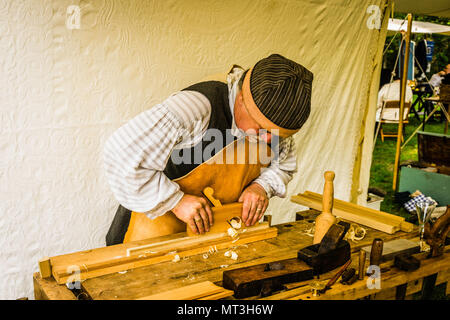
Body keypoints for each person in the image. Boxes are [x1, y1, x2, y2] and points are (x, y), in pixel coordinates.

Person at [103, 54, 313, 245]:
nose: (268, 139)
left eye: (277, 135)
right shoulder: (196, 106)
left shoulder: (271, 128)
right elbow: (121, 156)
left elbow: (284, 164)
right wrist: (175, 201)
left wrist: (261, 187)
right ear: (241, 99)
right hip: (151, 236)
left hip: (213, 240)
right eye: (261, 128)